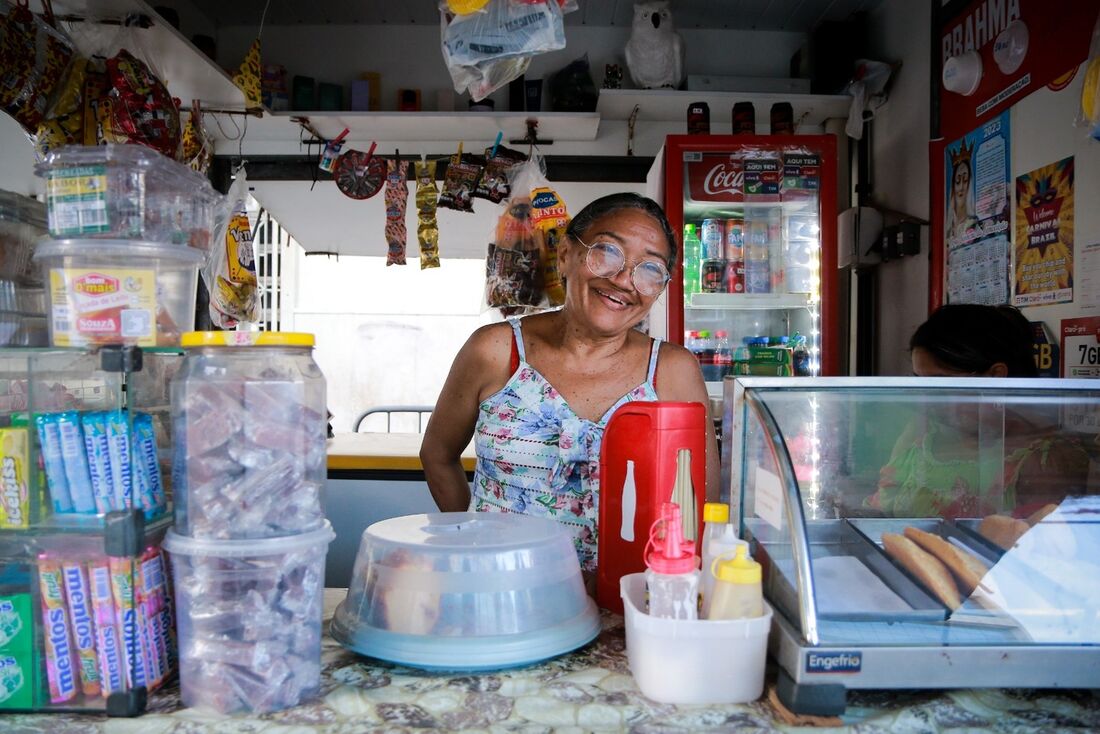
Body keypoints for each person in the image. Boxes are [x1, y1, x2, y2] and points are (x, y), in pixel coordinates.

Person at [421, 192, 720, 574]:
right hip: (499, 595)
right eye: (608, 251)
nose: (625, 280)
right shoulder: (495, 350)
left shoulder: (673, 371)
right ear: (566, 255)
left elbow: (700, 506)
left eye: (650, 270)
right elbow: (437, 454)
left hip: (623, 605)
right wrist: (473, 540)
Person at [871, 304, 1093, 519]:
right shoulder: (921, 433)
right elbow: (879, 512)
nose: (926, 399)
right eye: (919, 382)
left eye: (941, 384)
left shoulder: (1045, 458)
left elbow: (1039, 547)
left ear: (995, 376)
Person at [945, 141, 979, 247]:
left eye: (965, 180)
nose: (961, 187)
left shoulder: (975, 223)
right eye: (957, 181)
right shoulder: (947, 228)